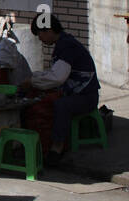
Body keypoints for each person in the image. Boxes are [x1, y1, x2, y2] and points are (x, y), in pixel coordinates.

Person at [17, 14, 100, 164]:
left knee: (60, 105)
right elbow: (54, 74)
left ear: (48, 30)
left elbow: (57, 77)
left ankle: (57, 147)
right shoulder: (62, 44)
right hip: (76, 92)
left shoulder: (67, 46)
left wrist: (33, 81)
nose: (40, 39)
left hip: (86, 97)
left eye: (40, 34)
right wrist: (34, 79)